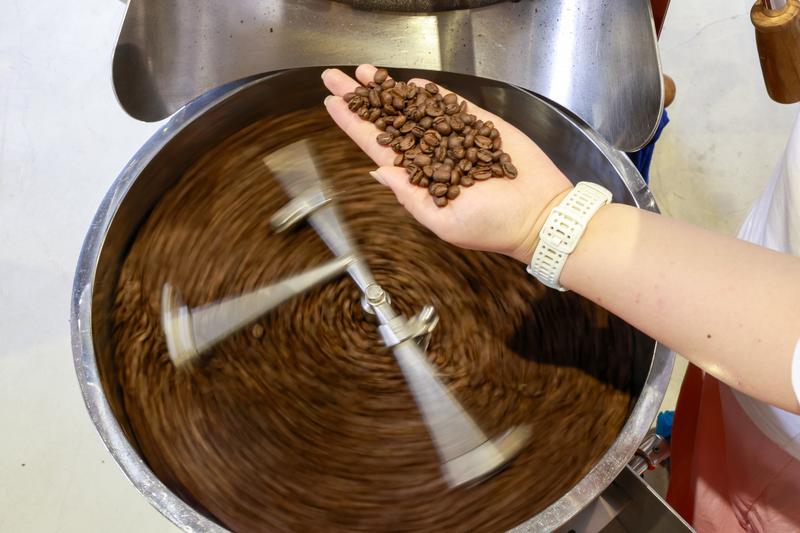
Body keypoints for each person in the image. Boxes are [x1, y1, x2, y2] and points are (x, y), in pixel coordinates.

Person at [321, 65, 800, 531]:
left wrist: (549, 224)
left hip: (782, 464)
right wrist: (555, 221)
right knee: (711, 425)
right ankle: (690, 440)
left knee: (721, 495)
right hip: (741, 319)